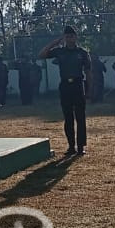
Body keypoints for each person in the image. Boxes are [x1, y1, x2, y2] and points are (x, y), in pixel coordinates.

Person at [40, 27, 89, 157]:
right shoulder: (60, 51)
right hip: (65, 86)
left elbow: (89, 71)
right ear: (64, 38)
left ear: (76, 37)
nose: (69, 39)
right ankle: (71, 146)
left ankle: (80, 147)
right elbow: (42, 54)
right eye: (67, 36)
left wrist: (89, 89)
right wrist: (55, 42)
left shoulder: (82, 52)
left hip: (78, 85)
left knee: (80, 118)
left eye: (72, 36)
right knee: (68, 118)